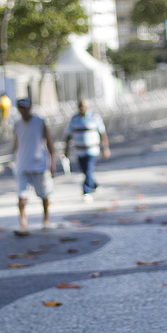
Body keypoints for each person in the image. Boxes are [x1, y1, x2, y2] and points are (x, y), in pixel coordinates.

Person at [13, 98, 55, 236]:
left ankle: (46, 219)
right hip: (22, 164)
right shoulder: (17, 124)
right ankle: (23, 225)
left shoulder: (40, 122)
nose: (23, 111)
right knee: (22, 196)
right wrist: (14, 160)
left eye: (25, 108)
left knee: (44, 194)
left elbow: (49, 143)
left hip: (39, 165)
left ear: (30, 108)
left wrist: (52, 162)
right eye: (20, 108)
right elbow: (16, 143)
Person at [64, 99, 110, 203]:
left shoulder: (95, 117)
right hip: (80, 150)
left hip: (92, 150)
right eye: (80, 106)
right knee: (85, 171)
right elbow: (68, 135)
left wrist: (105, 147)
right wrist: (66, 149)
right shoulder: (74, 119)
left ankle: (87, 191)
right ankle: (94, 185)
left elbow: (102, 133)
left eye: (83, 106)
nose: (82, 109)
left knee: (89, 169)